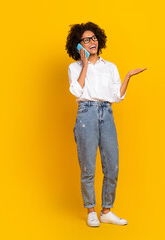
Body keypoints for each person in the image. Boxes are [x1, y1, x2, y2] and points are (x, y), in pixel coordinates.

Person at [65, 22, 147, 227]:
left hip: (107, 112)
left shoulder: (110, 67)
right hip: (86, 114)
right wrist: (84, 65)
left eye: (93, 38)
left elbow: (116, 96)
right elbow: (76, 91)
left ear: (99, 40)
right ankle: (91, 209)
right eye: (86, 40)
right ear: (78, 45)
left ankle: (106, 211)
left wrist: (127, 76)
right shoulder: (74, 67)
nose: (91, 42)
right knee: (88, 166)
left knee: (112, 165)